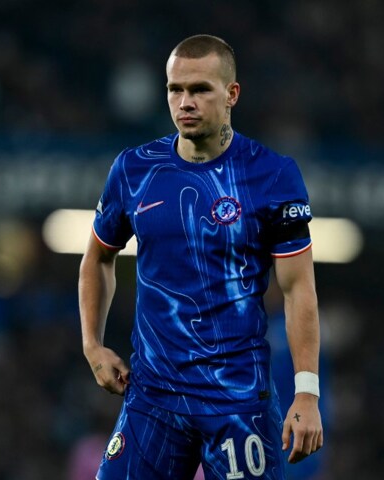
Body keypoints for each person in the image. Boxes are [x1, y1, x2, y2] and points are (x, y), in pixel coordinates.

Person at [78, 34, 323, 480]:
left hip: (238, 400)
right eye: (175, 89)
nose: (185, 102)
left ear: (232, 94)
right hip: (153, 397)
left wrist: (306, 391)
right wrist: (92, 345)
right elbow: (97, 257)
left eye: (200, 89)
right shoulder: (134, 170)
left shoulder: (273, 176)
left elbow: (298, 288)